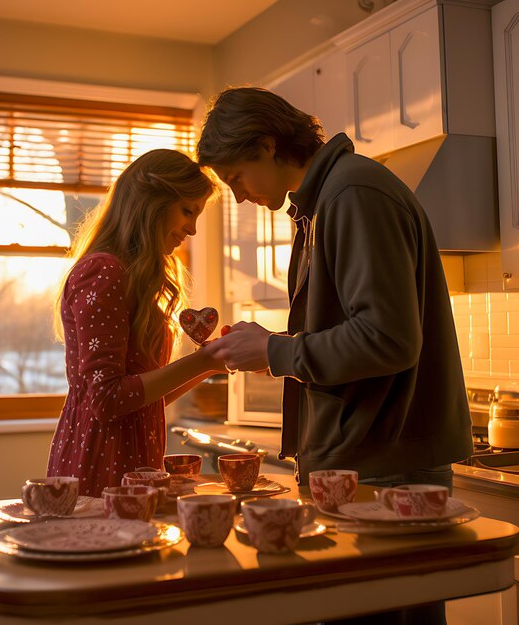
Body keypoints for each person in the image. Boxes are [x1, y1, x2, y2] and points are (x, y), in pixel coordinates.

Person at [198, 87, 472, 625]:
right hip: (366, 462)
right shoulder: (325, 201)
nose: (239, 197)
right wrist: (268, 346)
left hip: (383, 467)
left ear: (268, 145)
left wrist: (275, 351)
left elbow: (388, 339)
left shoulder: (353, 194)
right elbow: (356, 331)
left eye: (236, 179)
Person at [47, 149, 224, 497]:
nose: (192, 228)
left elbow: (143, 399)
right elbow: (108, 400)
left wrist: (211, 364)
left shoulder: (127, 276)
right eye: (187, 211)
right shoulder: (104, 272)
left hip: (127, 466)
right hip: (100, 467)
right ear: (151, 202)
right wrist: (203, 360)